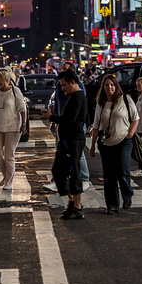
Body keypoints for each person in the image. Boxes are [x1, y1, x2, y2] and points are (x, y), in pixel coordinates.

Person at [42, 68, 88, 220]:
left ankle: (77, 207)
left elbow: (70, 120)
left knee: (74, 173)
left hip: (73, 140)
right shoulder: (74, 96)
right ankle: (71, 202)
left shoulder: (78, 97)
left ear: (72, 82)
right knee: (58, 171)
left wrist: (52, 118)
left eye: (64, 85)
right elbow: (68, 118)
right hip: (67, 140)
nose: (62, 88)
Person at [89, 74, 139, 213]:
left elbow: (135, 119)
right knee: (109, 175)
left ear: (116, 86)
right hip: (106, 144)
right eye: (106, 85)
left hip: (124, 141)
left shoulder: (126, 99)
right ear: (103, 87)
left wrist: (130, 134)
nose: (109, 87)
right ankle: (112, 205)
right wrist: (92, 145)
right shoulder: (101, 103)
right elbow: (95, 126)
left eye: (112, 84)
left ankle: (127, 195)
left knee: (123, 170)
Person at [0, 68, 26, 190]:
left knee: (9, 155)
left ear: (5, 78)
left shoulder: (15, 91)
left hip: (13, 127)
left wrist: (23, 125)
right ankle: (6, 174)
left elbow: (22, 109)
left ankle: (9, 181)